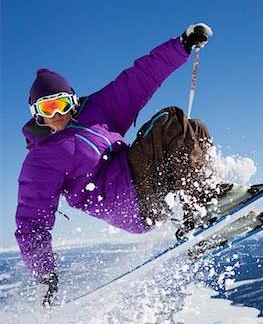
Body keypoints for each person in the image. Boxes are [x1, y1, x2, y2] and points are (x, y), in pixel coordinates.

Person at [16, 23, 216, 307]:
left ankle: (205, 210)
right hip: (128, 202)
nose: (57, 115)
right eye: (47, 109)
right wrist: (45, 275)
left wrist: (182, 44)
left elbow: (139, 78)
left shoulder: (97, 110)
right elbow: (31, 220)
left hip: (146, 186)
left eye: (61, 103)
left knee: (193, 130)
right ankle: (207, 207)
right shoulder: (41, 159)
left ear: (72, 100)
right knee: (169, 120)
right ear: (36, 114)